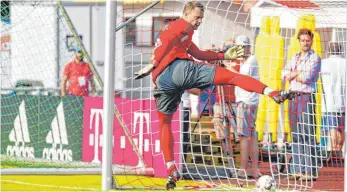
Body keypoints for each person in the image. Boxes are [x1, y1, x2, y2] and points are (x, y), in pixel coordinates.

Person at [135, 1, 297, 189]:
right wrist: (154, 61)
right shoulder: (182, 25)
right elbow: (172, 39)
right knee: (232, 77)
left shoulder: (178, 31)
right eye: (197, 17)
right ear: (186, 14)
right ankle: (272, 92)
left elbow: (199, 53)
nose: (199, 22)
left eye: (202, 18)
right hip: (178, 69)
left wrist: (223, 56)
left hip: (162, 81)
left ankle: (171, 167)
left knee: (164, 123)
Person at [282, 28, 321, 180]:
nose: (305, 43)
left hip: (306, 97)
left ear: (311, 41)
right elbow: (284, 74)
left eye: (307, 40)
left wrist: (295, 73)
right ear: (299, 41)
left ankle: (310, 170)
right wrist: (297, 73)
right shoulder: (294, 57)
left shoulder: (315, 58)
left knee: (308, 134)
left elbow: (307, 77)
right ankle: (298, 169)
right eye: (303, 40)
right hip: (293, 97)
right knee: (296, 135)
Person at [234, 35, 261, 179]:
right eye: (239, 47)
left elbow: (240, 79)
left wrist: (226, 66)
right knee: (250, 135)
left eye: (243, 47)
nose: (241, 50)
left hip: (246, 102)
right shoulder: (245, 61)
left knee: (244, 136)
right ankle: (254, 168)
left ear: (248, 48)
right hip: (247, 101)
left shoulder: (251, 60)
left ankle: (244, 168)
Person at [321, 42, 345, 160]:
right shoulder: (345, 63)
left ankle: (332, 153)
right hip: (343, 101)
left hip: (329, 102)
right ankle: (339, 151)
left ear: (329, 52)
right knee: (341, 128)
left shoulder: (323, 63)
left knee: (332, 128)